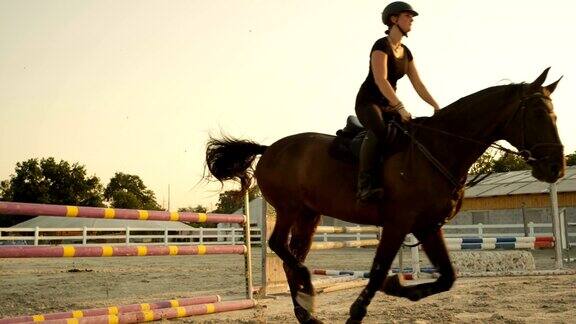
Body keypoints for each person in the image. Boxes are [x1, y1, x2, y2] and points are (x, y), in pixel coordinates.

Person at [355, 1, 440, 202]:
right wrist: (400, 107)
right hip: (369, 103)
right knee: (380, 131)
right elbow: (380, 79)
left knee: (409, 133)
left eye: (411, 17)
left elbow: (418, 84)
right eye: (407, 16)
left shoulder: (406, 52)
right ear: (394, 19)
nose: (411, 20)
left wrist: (436, 106)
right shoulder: (381, 45)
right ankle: (364, 185)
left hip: (389, 105)